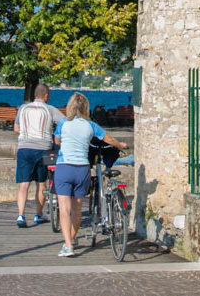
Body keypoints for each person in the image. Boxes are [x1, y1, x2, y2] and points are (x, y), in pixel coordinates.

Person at [52, 92, 125, 257]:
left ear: (70, 107)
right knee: (77, 209)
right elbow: (108, 139)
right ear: (86, 108)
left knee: (64, 208)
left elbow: (57, 141)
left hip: (64, 167)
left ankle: (68, 245)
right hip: (82, 169)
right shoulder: (91, 125)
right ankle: (70, 239)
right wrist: (120, 145)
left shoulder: (63, 124)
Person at [12, 83, 63, 227]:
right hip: (43, 149)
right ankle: (38, 215)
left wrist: (27, 133)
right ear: (46, 96)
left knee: (23, 184)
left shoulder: (23, 108)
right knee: (41, 184)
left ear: (35, 94)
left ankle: (21, 216)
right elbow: (65, 123)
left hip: (24, 148)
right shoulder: (50, 109)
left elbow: (16, 128)